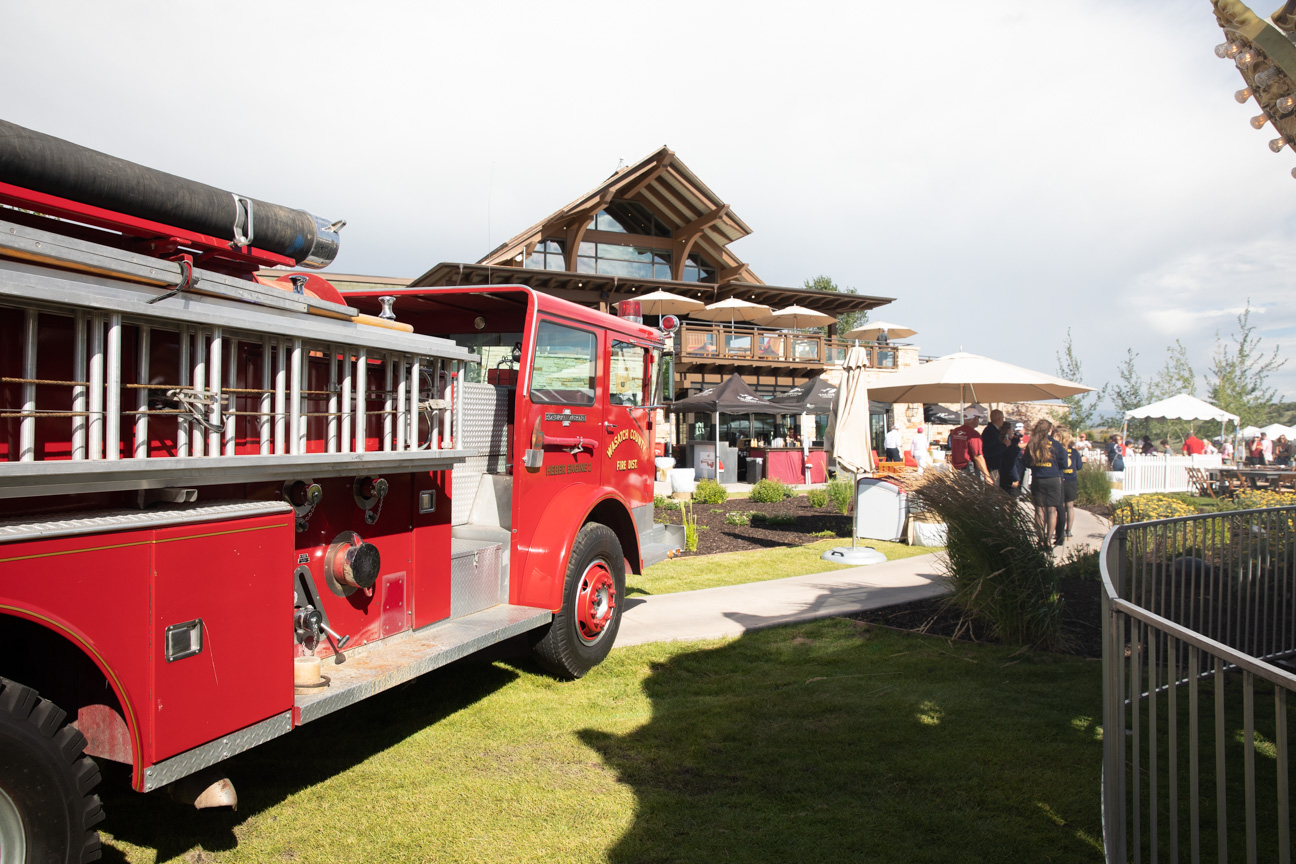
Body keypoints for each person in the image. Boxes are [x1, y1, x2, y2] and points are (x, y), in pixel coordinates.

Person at [1022, 418, 1067, 549]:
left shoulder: (1033, 443)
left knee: (1039, 510)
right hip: (1053, 479)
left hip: (1038, 479)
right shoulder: (1055, 444)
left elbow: (1025, 461)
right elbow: (1064, 462)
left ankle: (1040, 539)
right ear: (1049, 430)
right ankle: (1048, 540)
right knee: (1051, 510)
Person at [1055, 425, 1082, 544]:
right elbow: (1079, 466)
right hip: (1071, 480)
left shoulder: (1056, 450)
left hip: (1060, 479)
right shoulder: (1074, 452)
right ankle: (1069, 531)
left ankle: (1058, 531)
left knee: (1059, 507)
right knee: (1070, 506)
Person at [949, 409, 991, 482]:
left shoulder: (955, 431)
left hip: (956, 469)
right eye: (978, 418)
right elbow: (977, 456)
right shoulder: (973, 434)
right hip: (969, 471)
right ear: (975, 418)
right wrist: (987, 476)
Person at [998, 422, 1024, 498]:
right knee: (1010, 497)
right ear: (1008, 430)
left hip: (1003, 473)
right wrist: (1015, 478)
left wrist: (1015, 439)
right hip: (1009, 475)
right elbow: (1011, 462)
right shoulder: (1008, 444)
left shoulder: (1002, 442)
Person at [981, 409, 1005, 484]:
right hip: (991, 467)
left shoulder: (993, 430)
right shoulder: (991, 431)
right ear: (999, 418)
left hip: (993, 467)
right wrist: (1004, 445)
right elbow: (990, 450)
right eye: (1002, 418)